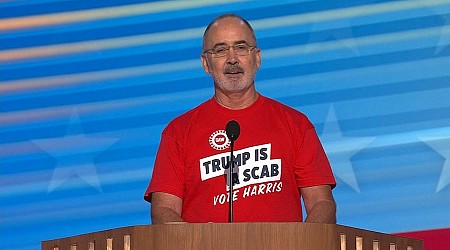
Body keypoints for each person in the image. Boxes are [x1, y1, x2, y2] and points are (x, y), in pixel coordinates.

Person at [144, 14, 336, 224]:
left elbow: (321, 203)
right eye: (220, 50)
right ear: (206, 64)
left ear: (258, 58)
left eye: (241, 47)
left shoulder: (296, 124)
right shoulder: (178, 132)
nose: (232, 59)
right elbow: (163, 210)